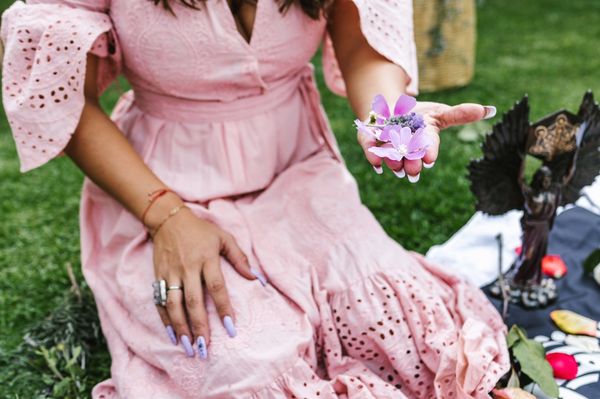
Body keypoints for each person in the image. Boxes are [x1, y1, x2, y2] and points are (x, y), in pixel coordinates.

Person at [1, 0, 509, 397]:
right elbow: (66, 95)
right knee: (244, 368)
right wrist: (167, 217)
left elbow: (360, 47)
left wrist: (389, 118)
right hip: (160, 187)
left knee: (411, 330)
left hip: (297, 167)